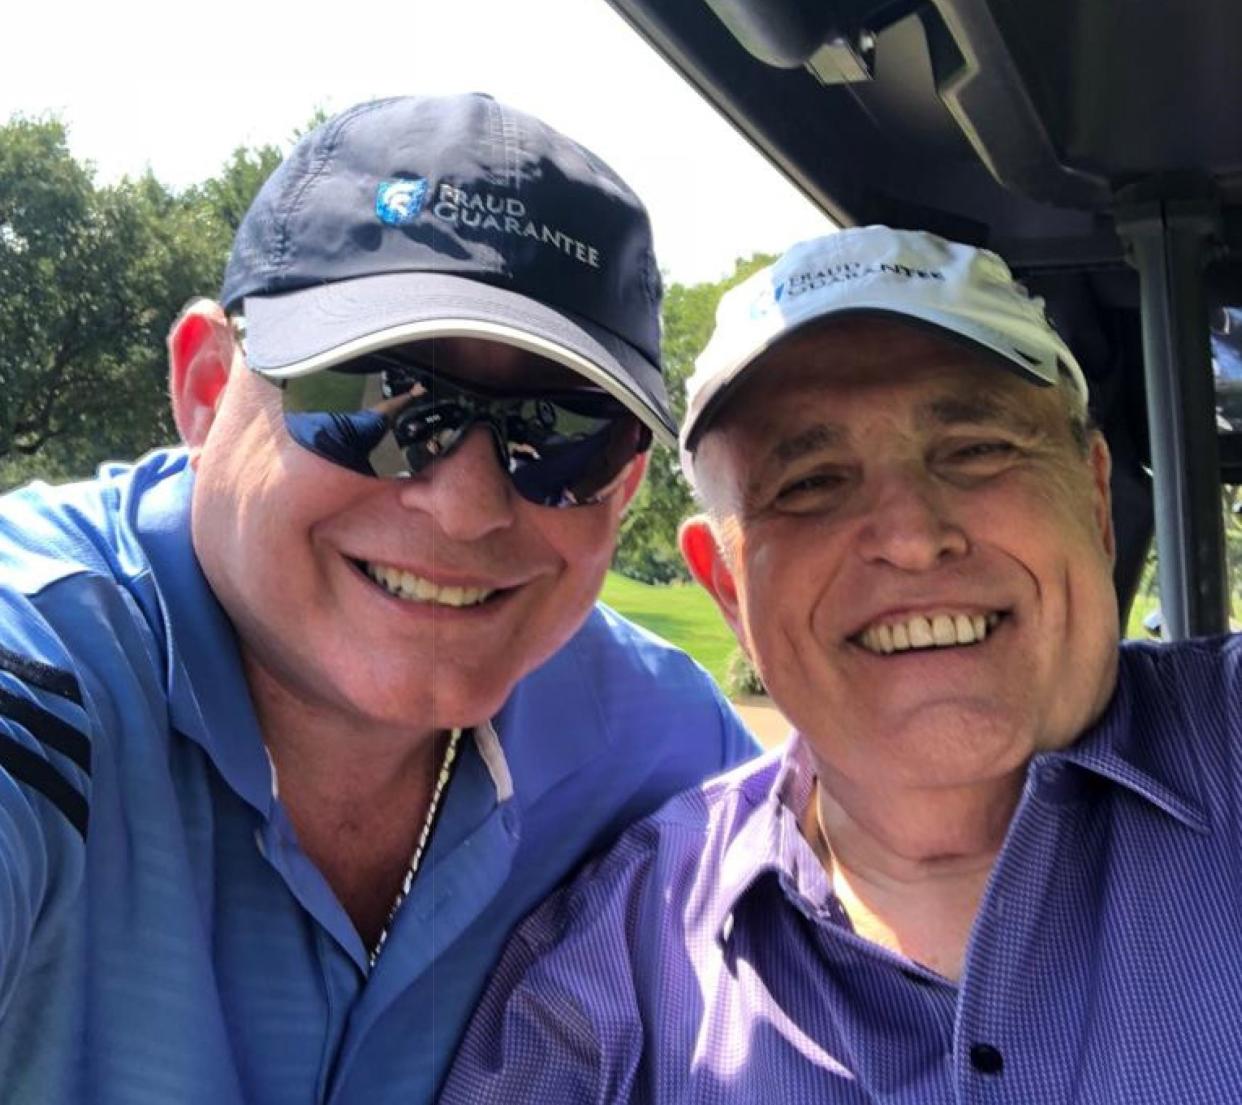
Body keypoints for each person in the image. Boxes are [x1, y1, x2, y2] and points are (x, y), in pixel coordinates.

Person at [0, 94, 757, 1103]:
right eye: (377, 397)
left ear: (622, 486)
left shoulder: (668, 746)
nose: (465, 507)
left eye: (562, 434)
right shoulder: (45, 667)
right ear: (207, 386)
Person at [441, 226, 1242, 1103]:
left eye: (977, 447)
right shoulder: (607, 988)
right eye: (812, 482)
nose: (909, 536)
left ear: (1093, 495)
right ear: (728, 586)